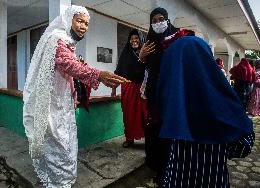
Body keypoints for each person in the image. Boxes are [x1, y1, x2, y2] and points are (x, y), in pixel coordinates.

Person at [23, 5, 126, 187]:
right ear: (68, 19)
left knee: (66, 146)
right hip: (52, 109)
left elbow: (67, 70)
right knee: (59, 148)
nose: (83, 26)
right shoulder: (56, 40)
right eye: (79, 21)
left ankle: (62, 181)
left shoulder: (66, 42)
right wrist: (98, 74)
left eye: (86, 23)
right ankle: (58, 183)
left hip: (63, 106)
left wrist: (75, 93)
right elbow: (67, 64)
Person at [157, 36, 254, 188]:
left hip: (175, 180)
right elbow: (244, 146)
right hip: (212, 180)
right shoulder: (223, 99)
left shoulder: (168, 100)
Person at [138, 7, 194, 184]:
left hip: (174, 97)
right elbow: (140, 75)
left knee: (171, 135)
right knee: (156, 134)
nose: (157, 23)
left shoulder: (177, 40)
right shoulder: (149, 44)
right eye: (153, 21)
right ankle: (159, 169)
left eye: (160, 19)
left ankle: (171, 171)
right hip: (155, 100)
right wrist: (141, 58)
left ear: (167, 20)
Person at [111, 29, 148, 148]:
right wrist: (113, 88)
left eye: (136, 38)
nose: (134, 41)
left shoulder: (146, 53)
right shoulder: (125, 53)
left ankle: (149, 139)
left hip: (143, 87)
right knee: (129, 115)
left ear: (141, 39)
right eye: (131, 39)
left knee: (145, 114)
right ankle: (130, 139)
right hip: (128, 87)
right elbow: (118, 71)